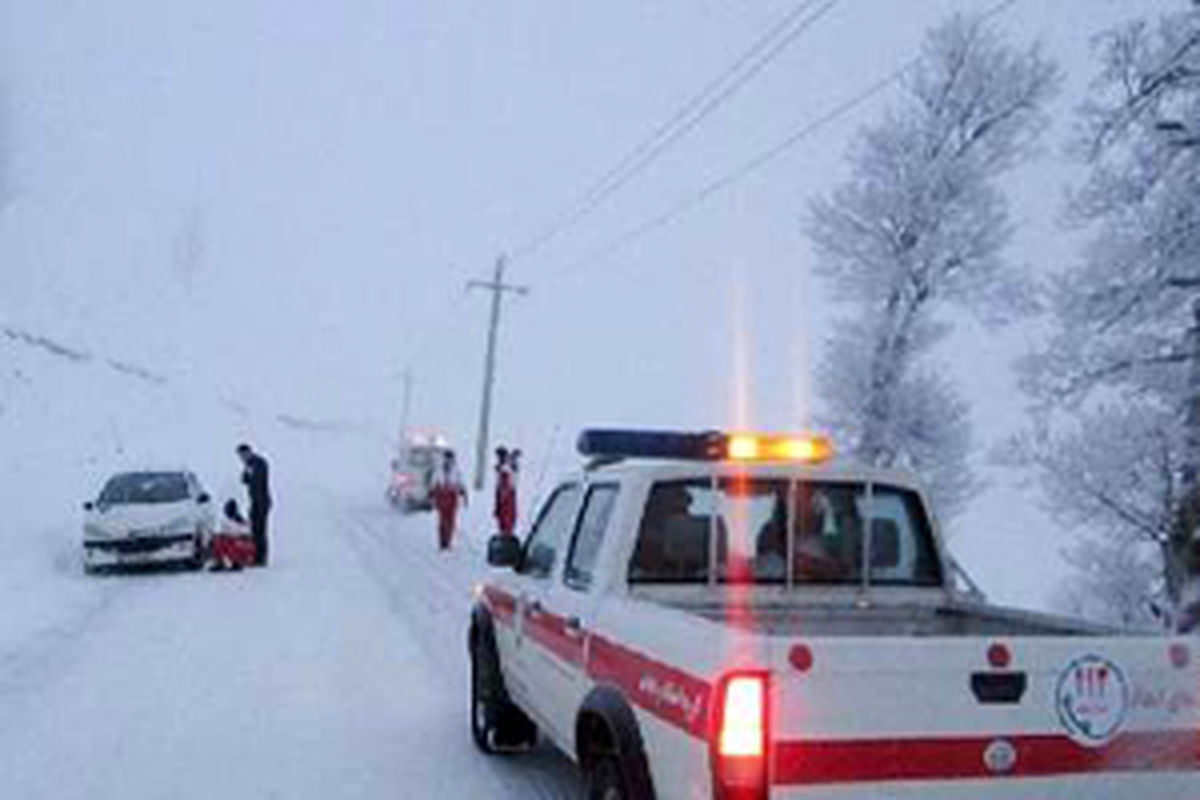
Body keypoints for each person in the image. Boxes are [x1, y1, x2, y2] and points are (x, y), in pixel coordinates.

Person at [236, 443, 272, 566]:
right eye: (240, 456)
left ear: (249, 452)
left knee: (260, 529)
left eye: (243, 455)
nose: (242, 458)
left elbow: (258, 479)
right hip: (254, 501)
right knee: (253, 529)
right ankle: (254, 555)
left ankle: (261, 558)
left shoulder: (260, 463)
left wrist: (250, 473)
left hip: (262, 501)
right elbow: (244, 480)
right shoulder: (248, 465)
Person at [431, 450, 467, 550]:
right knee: (442, 520)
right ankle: (442, 541)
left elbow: (460, 483)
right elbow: (435, 482)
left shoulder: (456, 470)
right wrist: (432, 494)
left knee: (451, 521)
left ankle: (448, 541)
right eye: (447, 458)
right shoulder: (439, 470)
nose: (449, 461)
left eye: (450, 458)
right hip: (442, 496)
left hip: (452, 497)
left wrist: (464, 494)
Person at [209, 499, 256, 571]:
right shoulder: (235, 520)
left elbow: (241, 534)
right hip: (241, 544)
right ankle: (225, 561)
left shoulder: (238, 521)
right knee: (219, 540)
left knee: (219, 541)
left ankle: (231, 562)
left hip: (239, 544)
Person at [493, 446, 518, 538]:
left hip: (506, 499)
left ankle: (506, 539)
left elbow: (505, 488)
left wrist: (502, 498)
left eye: (499, 457)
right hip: (504, 498)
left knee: (506, 522)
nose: (498, 459)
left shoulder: (505, 471)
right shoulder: (504, 468)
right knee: (503, 522)